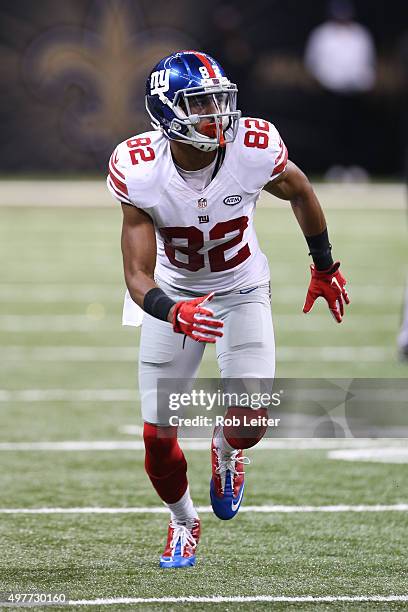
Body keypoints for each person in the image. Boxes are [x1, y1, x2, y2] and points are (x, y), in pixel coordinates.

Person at [107, 50, 350, 568]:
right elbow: (136, 276)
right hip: (174, 295)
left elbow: (300, 190)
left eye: (220, 100)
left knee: (250, 420)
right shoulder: (140, 168)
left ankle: (227, 446)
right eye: (200, 104)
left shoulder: (251, 148)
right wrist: (172, 311)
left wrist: (323, 267)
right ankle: (183, 522)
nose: (217, 114)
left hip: (241, 288)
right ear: (168, 113)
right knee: (157, 437)